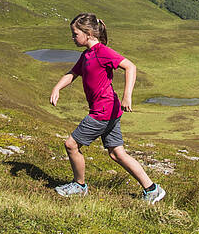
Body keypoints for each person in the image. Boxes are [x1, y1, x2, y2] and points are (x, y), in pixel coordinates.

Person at [47, 12, 165, 203]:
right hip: (109, 111)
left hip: (102, 112)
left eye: (75, 34)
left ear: (89, 33)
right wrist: (57, 88)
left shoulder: (102, 52)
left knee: (71, 144)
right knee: (117, 153)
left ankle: (79, 186)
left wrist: (127, 95)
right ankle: (152, 189)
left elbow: (130, 67)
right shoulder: (86, 55)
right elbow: (72, 73)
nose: (72, 38)